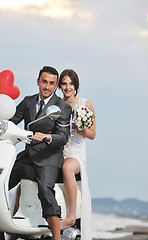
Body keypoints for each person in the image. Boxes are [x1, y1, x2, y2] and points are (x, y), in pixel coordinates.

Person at [0, 66, 72, 240]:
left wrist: (47, 137)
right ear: (38, 81)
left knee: (45, 189)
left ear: (56, 85)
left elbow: (63, 137)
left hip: (49, 158)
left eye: (51, 83)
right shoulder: (28, 101)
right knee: (0, 182)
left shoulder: (62, 107)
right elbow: (12, 121)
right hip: (28, 156)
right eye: (44, 82)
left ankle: (57, 237)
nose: (47, 87)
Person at [58, 69, 96, 240]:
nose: (68, 87)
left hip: (76, 152)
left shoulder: (85, 104)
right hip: (58, 151)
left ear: (76, 85)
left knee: (67, 168)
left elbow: (93, 134)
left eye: (71, 83)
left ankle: (71, 216)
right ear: (60, 86)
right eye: (64, 83)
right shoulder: (56, 103)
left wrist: (80, 128)